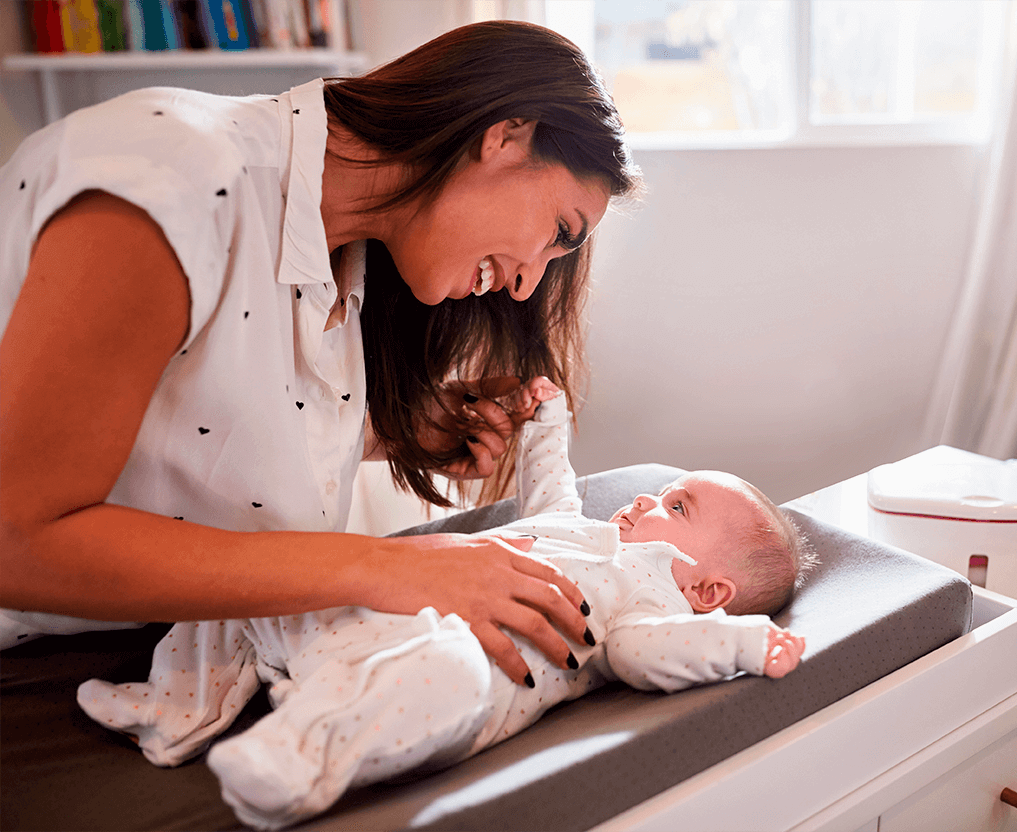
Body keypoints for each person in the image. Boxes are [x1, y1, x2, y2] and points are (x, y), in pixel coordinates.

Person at [0, 21, 641, 685]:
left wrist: (392, 431)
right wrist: (380, 569)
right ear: (507, 135)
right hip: (51, 662)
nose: (524, 282)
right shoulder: (175, 182)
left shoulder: (348, 255)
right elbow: (17, 542)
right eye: (557, 233)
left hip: (202, 651)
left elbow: (186, 430)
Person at [78, 378, 817, 830]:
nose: (651, 496)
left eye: (678, 506)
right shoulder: (581, 526)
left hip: (441, 661)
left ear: (708, 591)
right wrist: (545, 418)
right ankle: (176, 708)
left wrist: (743, 643)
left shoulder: (650, 602)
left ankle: (295, 758)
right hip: (362, 617)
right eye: (667, 489)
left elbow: (636, 655)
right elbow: (551, 483)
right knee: (262, 574)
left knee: (447, 674)